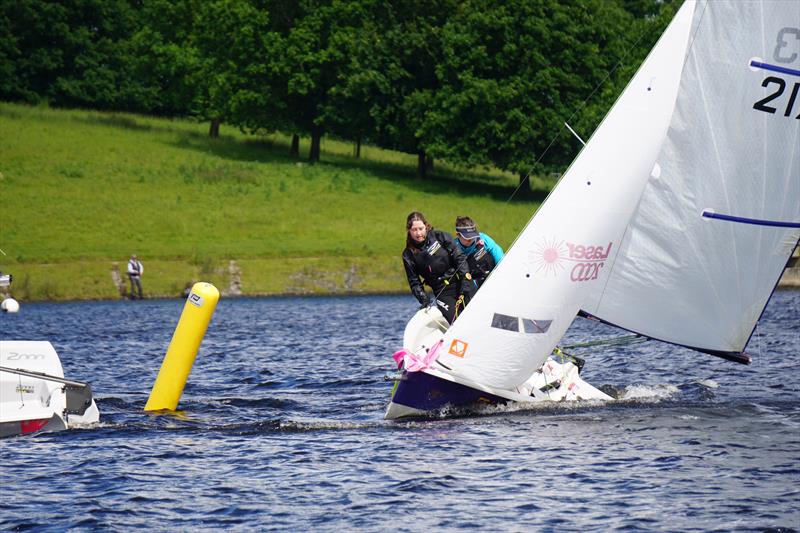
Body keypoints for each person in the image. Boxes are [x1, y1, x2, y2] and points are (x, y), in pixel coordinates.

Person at [402, 211, 473, 324]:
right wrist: (424, 299)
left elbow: (459, 258)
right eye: (414, 230)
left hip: (461, 283)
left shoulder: (440, 236)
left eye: (420, 228)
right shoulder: (408, 255)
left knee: (475, 317)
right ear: (409, 231)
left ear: (426, 226)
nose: (418, 233)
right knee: (457, 323)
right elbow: (414, 282)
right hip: (442, 292)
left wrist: (466, 279)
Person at [454, 216, 504, 289]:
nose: (471, 239)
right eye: (467, 237)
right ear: (458, 235)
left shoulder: (484, 238)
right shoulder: (453, 247)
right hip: (473, 285)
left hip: (494, 277)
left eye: (472, 236)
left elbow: (500, 259)